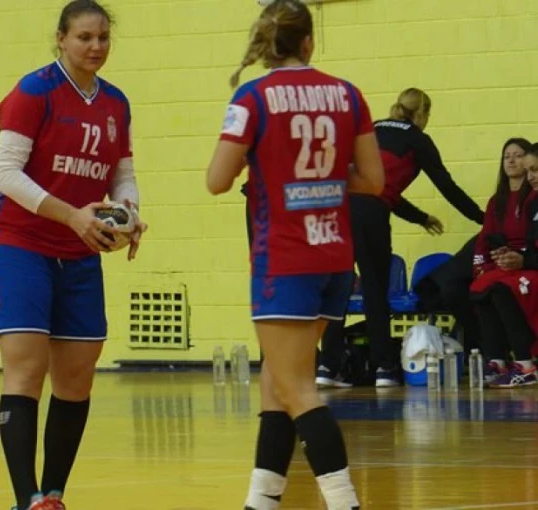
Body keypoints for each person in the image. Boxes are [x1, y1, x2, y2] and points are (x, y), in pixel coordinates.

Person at [206, 2, 384, 509]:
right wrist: (323, 177)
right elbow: (373, 180)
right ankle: (260, 502)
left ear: (266, 43)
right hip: (333, 257)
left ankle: (345, 502)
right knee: (276, 386)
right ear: (309, 42)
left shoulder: (252, 97)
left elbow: (217, 180)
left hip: (284, 260)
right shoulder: (348, 94)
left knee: (297, 389)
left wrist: (277, 171)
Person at [0, 2, 146, 509]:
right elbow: (4, 174)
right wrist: (72, 215)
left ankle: (53, 494)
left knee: (76, 376)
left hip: (78, 254)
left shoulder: (115, 102)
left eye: (103, 37)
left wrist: (129, 214)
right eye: (84, 37)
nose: (95, 46)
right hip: (20, 246)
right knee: (27, 369)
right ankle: (26, 498)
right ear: (61, 39)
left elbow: (122, 174)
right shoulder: (34, 91)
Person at [318, 87, 485, 388]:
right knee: (374, 289)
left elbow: (375, 185)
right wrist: (483, 219)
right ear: (423, 113)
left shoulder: (371, 129)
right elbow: (447, 187)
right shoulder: (418, 140)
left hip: (335, 207)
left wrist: (421, 217)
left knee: (338, 289)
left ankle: (328, 367)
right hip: (370, 213)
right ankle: (384, 367)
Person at [470, 141, 538, 387]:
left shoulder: (530, 200)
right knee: (483, 287)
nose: (531, 177)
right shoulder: (532, 201)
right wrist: (510, 255)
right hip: (530, 264)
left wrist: (523, 259)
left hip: (531, 268)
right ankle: (496, 360)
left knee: (502, 289)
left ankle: (525, 364)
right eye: (529, 171)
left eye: (535, 170)